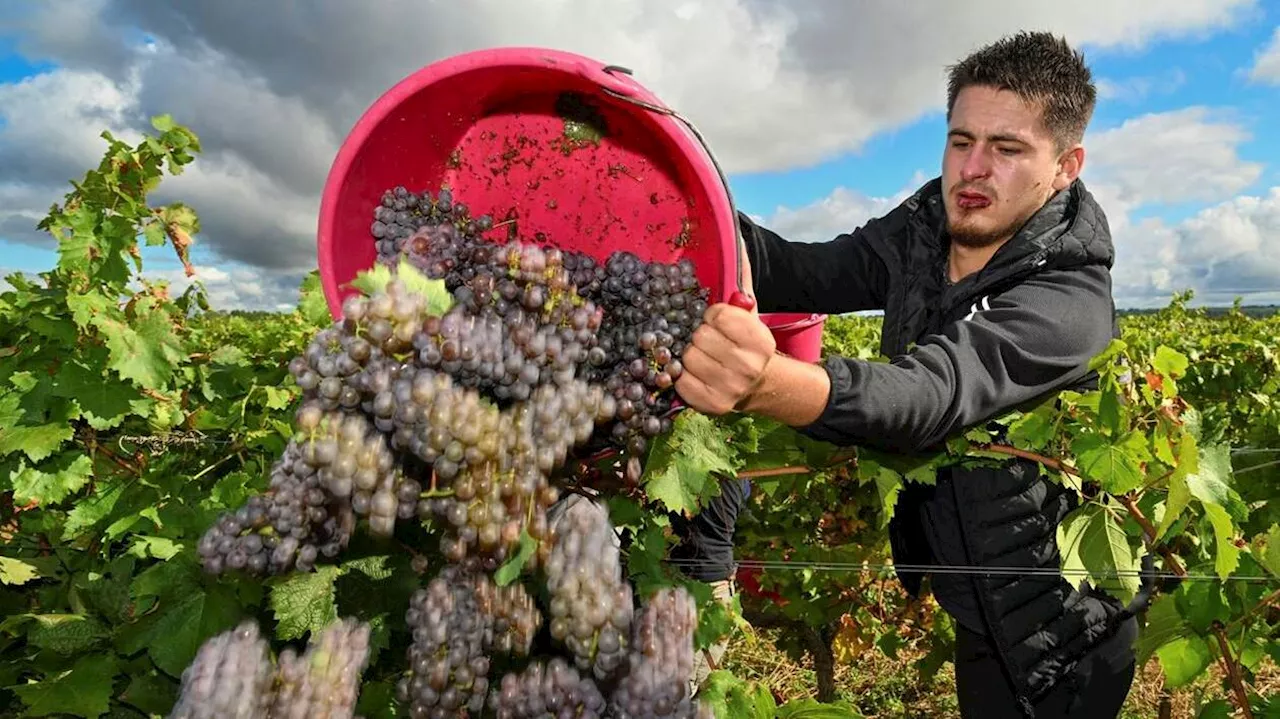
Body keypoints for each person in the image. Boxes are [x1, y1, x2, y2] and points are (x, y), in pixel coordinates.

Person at [673, 31, 1143, 719]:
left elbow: (929, 394)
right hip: (977, 601)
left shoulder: (1069, 301)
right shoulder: (925, 226)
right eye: (961, 141)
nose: (972, 169)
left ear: (1066, 166)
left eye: (1007, 149)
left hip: (1062, 636)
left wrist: (763, 382)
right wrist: (685, 199)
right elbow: (806, 270)